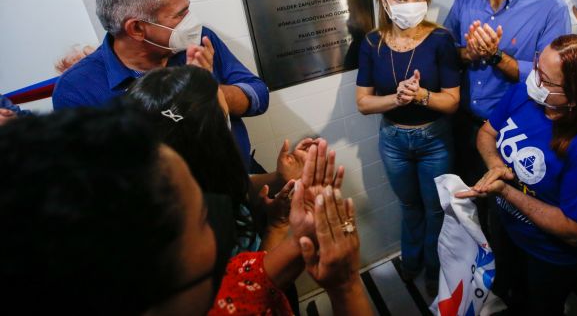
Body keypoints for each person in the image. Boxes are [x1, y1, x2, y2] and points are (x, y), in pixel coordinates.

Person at [0, 105, 371, 315]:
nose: (219, 226)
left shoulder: (220, 290)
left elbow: (251, 278)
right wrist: (347, 286)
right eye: (204, 218)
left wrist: (306, 234)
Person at [455, 35, 577, 315]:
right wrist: (496, 164)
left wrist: (506, 191)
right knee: (512, 292)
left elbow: (574, 231)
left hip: (548, 255)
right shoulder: (526, 94)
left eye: (545, 79)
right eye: (536, 67)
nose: (533, 79)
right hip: (508, 230)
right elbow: (487, 132)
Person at [52, 0, 268, 169]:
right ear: (136, 28)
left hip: (246, 177)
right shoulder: (78, 90)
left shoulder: (199, 42)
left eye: (187, 9)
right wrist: (183, 101)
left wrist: (210, 91)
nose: (191, 21)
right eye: (179, 14)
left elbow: (259, 97)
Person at [126, 65, 315, 256]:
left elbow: (230, 187)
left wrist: (279, 179)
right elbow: (250, 283)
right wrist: (277, 227)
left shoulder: (177, 178)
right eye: (225, 116)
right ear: (211, 138)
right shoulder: (195, 225)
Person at [443, 0, 570, 187]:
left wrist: (496, 56)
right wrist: (470, 53)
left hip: (512, 130)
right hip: (463, 123)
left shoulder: (549, 8)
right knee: (465, 199)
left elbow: (549, 80)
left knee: (504, 206)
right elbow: (446, 50)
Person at [356, 0, 460, 294]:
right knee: (409, 206)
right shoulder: (372, 43)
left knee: (435, 210)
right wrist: (397, 100)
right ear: (384, 1)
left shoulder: (441, 39)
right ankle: (410, 263)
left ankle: (433, 269)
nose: (410, 6)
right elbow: (363, 103)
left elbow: (452, 101)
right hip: (393, 141)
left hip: (435, 139)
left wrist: (421, 95)